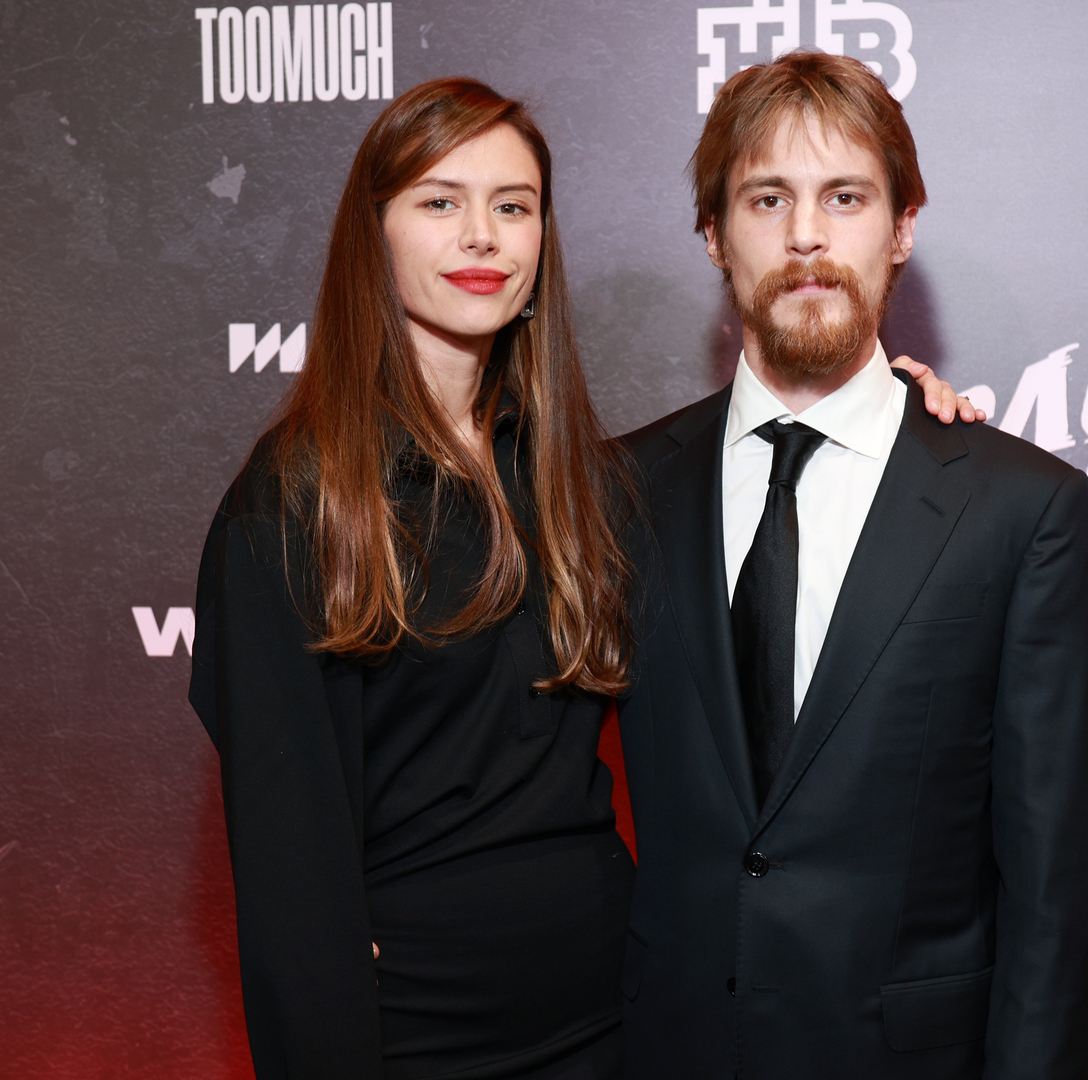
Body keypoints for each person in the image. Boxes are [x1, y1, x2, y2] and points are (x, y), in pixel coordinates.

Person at [188, 76, 972, 1080]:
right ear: (372, 234)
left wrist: (888, 416)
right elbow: (289, 866)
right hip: (415, 1036)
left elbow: (779, 479)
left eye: (513, 206)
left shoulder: (582, 481)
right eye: (440, 201)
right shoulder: (299, 500)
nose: (482, 235)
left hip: (613, 1023)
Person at [616, 52, 1088, 1080]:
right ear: (714, 235)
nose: (807, 235)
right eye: (768, 199)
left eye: (845, 197)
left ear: (902, 227)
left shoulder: (1017, 509)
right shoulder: (615, 490)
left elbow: (1052, 893)